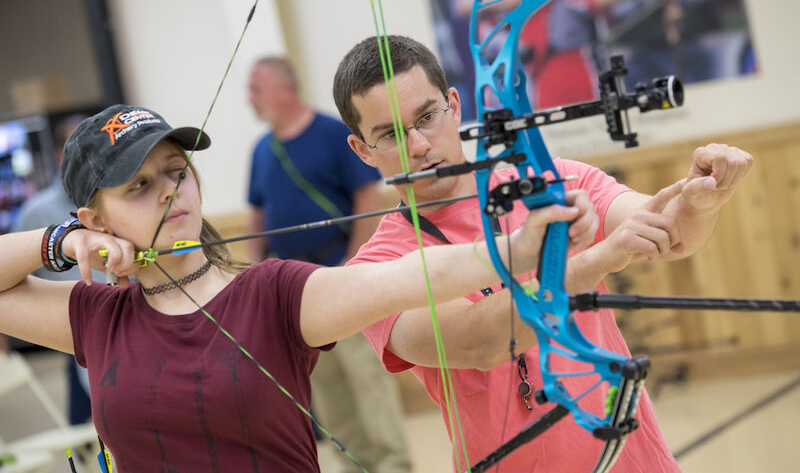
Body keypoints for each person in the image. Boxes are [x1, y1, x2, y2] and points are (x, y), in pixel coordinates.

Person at [0, 104, 589, 471]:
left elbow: (401, 278)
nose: (169, 192)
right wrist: (62, 241)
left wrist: (515, 251)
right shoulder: (98, 317)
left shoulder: (272, 294)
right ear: (95, 218)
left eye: (177, 172)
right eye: (138, 185)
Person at [333, 35, 753, 472]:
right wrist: (598, 259)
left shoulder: (551, 181)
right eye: (390, 135)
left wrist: (699, 203)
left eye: (427, 117)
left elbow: (667, 231)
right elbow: (477, 342)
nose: (418, 145)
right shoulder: (375, 269)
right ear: (362, 149)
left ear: (454, 106)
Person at [247, 57, 411, 472]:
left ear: (284, 88)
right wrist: (252, 272)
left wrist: (350, 269)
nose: (250, 99)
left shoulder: (331, 133)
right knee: (328, 390)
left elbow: (367, 199)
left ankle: (393, 466)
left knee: (366, 380)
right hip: (297, 292)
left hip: (341, 274)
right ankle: (354, 466)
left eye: (256, 89)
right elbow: (257, 214)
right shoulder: (262, 150)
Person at [12, 115, 99, 425]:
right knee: (86, 435)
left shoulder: (115, 200)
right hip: (70, 334)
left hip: (123, 326)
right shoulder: (35, 212)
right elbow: (13, 278)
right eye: (82, 150)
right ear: (59, 154)